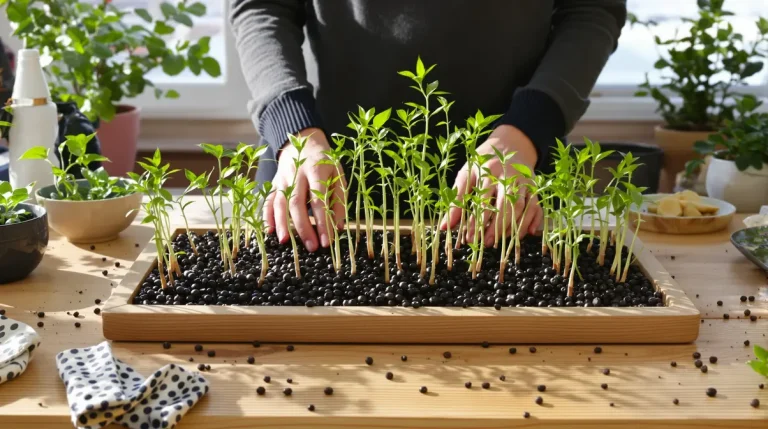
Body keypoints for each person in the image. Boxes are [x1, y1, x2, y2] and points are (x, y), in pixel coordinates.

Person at [230, 0, 627, 253]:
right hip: (325, 172)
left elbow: (591, 9)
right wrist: (292, 127)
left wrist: (529, 128)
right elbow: (262, 6)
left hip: (509, 172)